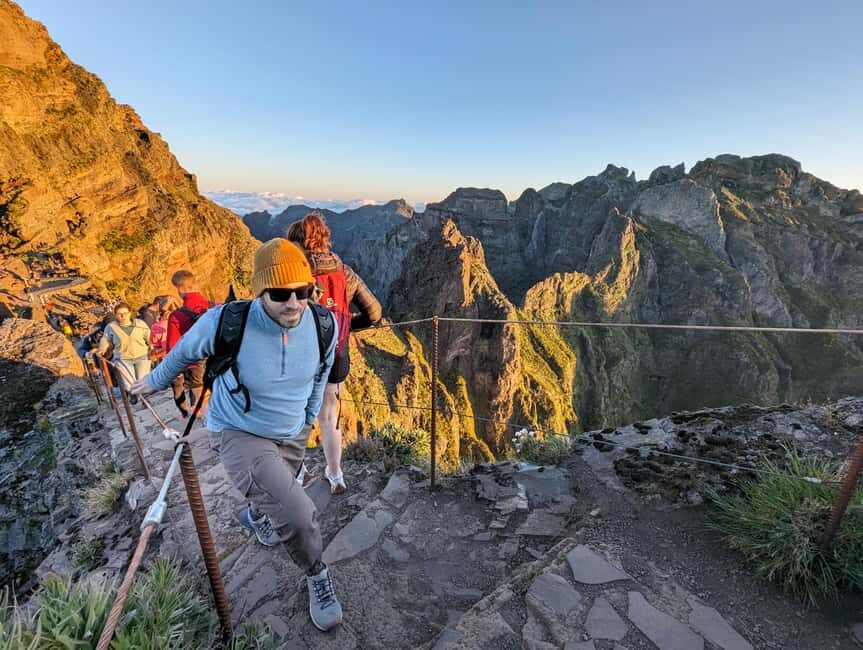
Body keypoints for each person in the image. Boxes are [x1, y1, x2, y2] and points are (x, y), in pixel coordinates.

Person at [130, 238, 343, 632]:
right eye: (281, 293)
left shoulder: (322, 323)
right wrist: (154, 381)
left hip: (293, 429)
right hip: (240, 430)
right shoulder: (228, 321)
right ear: (260, 291)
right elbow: (183, 354)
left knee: (274, 493)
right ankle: (316, 572)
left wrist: (309, 417)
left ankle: (258, 516)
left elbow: (322, 372)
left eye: (304, 292)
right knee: (298, 514)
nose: (294, 303)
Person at [286, 211, 382, 495]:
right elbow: (375, 312)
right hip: (336, 354)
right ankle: (336, 474)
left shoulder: (291, 275)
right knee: (329, 416)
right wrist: (348, 325)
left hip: (298, 357)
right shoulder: (346, 273)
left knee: (295, 414)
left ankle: (297, 471)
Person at [167, 270, 213, 416]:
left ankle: (208, 429)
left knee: (201, 400)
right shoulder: (215, 306)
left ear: (179, 289)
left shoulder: (177, 316)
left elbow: (172, 347)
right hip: (219, 359)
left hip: (194, 364)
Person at [97, 301, 151, 398]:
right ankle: (133, 395)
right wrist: (102, 349)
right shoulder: (111, 327)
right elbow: (105, 339)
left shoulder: (140, 324)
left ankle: (143, 400)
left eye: (125, 313)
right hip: (123, 358)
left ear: (130, 313)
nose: (122, 316)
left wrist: (153, 346)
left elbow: (149, 337)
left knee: (143, 381)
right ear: (116, 315)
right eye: (119, 314)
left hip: (142, 356)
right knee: (128, 384)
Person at [149, 296, 178, 364]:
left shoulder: (156, 326)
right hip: (184, 359)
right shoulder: (184, 322)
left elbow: (156, 345)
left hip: (165, 360)